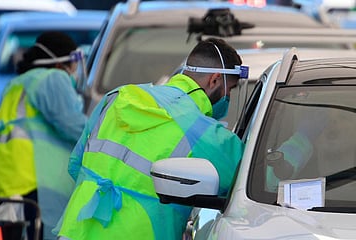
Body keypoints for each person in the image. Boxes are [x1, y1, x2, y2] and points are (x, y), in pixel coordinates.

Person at [55, 38, 247, 240]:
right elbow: (252, 181)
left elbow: (75, 164)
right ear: (215, 80)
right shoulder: (204, 133)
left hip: (77, 229)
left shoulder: (116, 97)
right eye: (231, 89)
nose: (228, 97)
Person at [0, 31, 87, 240]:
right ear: (60, 63)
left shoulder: (18, 83)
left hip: (1, 182)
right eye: (73, 64)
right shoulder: (53, 79)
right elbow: (76, 127)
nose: (74, 72)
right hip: (30, 182)